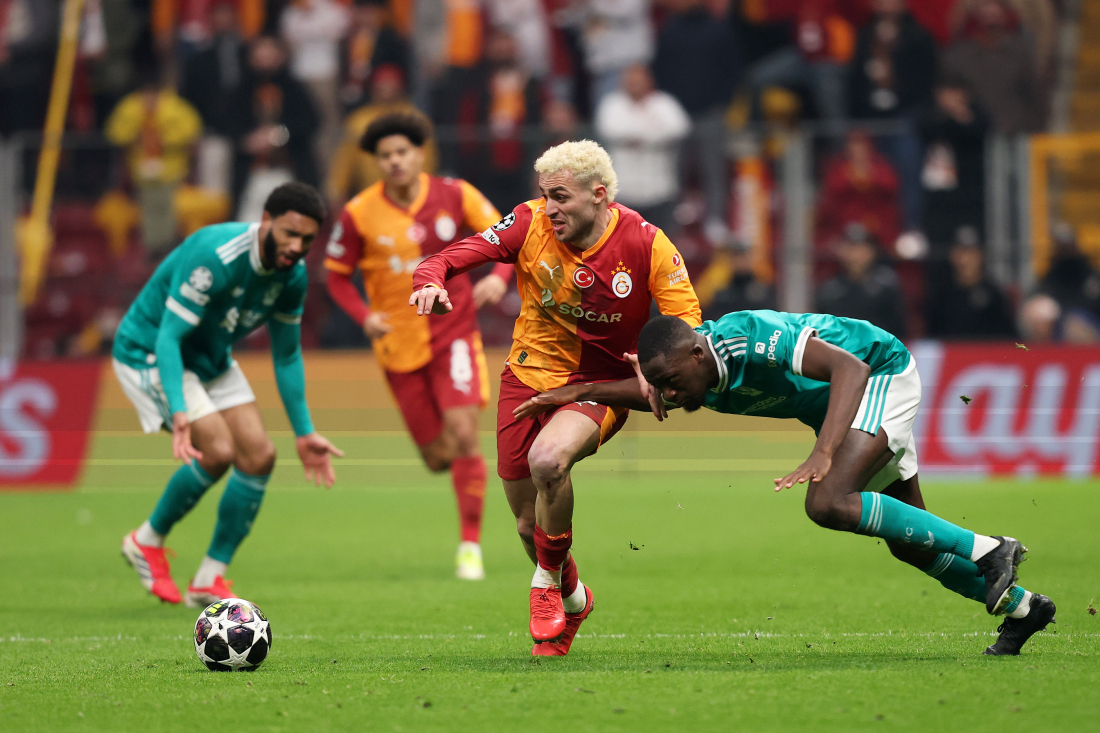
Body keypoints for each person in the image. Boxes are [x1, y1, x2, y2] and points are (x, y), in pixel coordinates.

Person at [534, 311, 1057, 656]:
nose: (668, 396)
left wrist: (824, 451)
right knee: (910, 543)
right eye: (661, 386)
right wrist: (582, 392)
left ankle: (991, 549)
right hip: (847, 411)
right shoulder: (692, 374)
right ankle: (1024, 608)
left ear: (696, 354)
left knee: (826, 501)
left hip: (878, 374)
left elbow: (849, 369)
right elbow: (648, 390)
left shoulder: (750, 338)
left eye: (671, 383)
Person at [409, 140, 701, 655]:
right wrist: (428, 279)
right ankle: (574, 597)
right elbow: (457, 254)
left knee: (548, 461)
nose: (550, 208)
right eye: (545, 195)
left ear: (599, 195)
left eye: (561, 197)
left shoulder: (648, 243)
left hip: (600, 387)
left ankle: (544, 583)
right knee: (529, 525)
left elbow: (688, 330)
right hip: (527, 378)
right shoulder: (528, 222)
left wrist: (657, 370)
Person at [115, 182, 343, 608]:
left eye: (307, 239)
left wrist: (304, 432)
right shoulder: (215, 255)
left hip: (210, 357)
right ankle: (146, 540)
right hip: (150, 353)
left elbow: (287, 355)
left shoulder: (292, 276)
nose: (297, 247)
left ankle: (208, 578)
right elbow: (169, 337)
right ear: (266, 220)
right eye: (290, 233)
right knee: (218, 450)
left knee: (259, 455)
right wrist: (178, 410)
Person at [325, 113, 510, 580]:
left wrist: (499, 277)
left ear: (419, 154)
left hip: (454, 334)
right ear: (377, 162)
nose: (395, 161)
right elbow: (336, 276)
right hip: (398, 345)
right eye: (385, 155)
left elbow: (509, 234)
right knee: (437, 457)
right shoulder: (358, 212)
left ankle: (470, 547)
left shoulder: (455, 194)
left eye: (402, 152)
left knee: (464, 434)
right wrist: (364, 316)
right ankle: (461, 483)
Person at [104, 68, 203, 256]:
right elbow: (115, 133)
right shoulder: (131, 107)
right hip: (142, 169)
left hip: (170, 168)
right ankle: (153, 246)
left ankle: (165, 244)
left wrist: (164, 139)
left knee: (167, 206)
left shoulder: (175, 107)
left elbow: (190, 132)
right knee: (148, 207)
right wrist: (136, 134)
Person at [595, 63, 691, 234]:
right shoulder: (612, 104)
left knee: (661, 241)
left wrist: (637, 138)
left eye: (639, 81)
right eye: (632, 82)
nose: (635, 86)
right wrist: (653, 133)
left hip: (660, 189)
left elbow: (680, 128)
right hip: (624, 192)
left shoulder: (664, 103)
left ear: (649, 81)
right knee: (625, 243)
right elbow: (609, 129)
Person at [816, 223, 907, 339]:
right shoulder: (829, 290)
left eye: (861, 249)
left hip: (879, 346)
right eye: (851, 248)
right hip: (840, 347)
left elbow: (899, 327)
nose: (856, 255)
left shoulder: (887, 285)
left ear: (872, 251)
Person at [925, 227, 1015, 339]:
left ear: (981, 255)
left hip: (985, 349)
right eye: (960, 253)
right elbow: (931, 336)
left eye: (970, 253)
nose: (964, 260)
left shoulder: (993, 294)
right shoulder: (942, 294)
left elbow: (1007, 338)